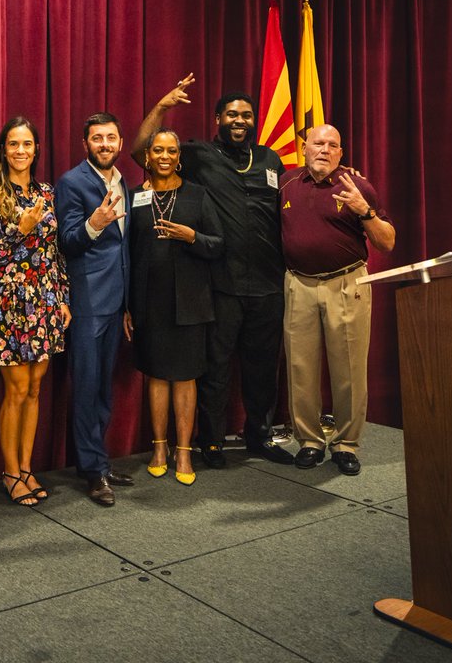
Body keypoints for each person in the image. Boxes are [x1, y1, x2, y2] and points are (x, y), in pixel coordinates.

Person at [133, 75, 294, 469]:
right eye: (232, 114)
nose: (240, 120)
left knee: (261, 370)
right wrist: (162, 106)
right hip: (220, 283)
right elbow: (142, 152)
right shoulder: (199, 155)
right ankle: (211, 442)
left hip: (269, 283)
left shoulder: (271, 160)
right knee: (216, 369)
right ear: (218, 118)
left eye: (247, 115)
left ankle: (260, 437)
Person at [279, 124, 395, 475]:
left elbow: (387, 242)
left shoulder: (357, 186)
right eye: (318, 143)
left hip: (347, 284)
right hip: (299, 284)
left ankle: (346, 444)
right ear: (304, 148)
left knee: (348, 370)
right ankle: (310, 441)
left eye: (333, 145)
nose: (325, 150)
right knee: (301, 368)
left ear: (341, 153)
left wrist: (365, 212)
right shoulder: (286, 184)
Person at [0, 116, 71, 507]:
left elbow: (56, 250)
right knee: (15, 390)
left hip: (46, 301)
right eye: (13, 144)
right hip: (11, 303)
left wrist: (63, 296)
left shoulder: (49, 193)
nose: (20, 150)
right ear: (3, 150)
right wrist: (21, 229)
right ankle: (10, 472)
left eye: (27, 144)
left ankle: (28, 467)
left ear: (36, 149)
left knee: (35, 389)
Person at [126, 129, 224, 485]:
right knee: (156, 375)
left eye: (171, 150)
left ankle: (184, 450)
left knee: (184, 377)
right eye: (158, 150)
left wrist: (191, 237)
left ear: (178, 157)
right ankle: (159, 447)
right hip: (149, 303)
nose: (164, 156)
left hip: (190, 303)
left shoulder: (198, 196)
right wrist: (127, 307)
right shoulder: (135, 196)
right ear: (147, 157)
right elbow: (128, 256)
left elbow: (218, 245)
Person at [54, 113, 135, 507]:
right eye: (97, 138)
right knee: (86, 387)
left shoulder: (124, 182)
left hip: (116, 301)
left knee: (104, 386)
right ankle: (92, 471)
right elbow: (67, 242)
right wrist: (95, 223)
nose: (105, 144)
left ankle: (101, 460)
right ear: (86, 144)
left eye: (111, 137)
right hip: (86, 303)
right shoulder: (72, 183)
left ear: (121, 143)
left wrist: (128, 304)